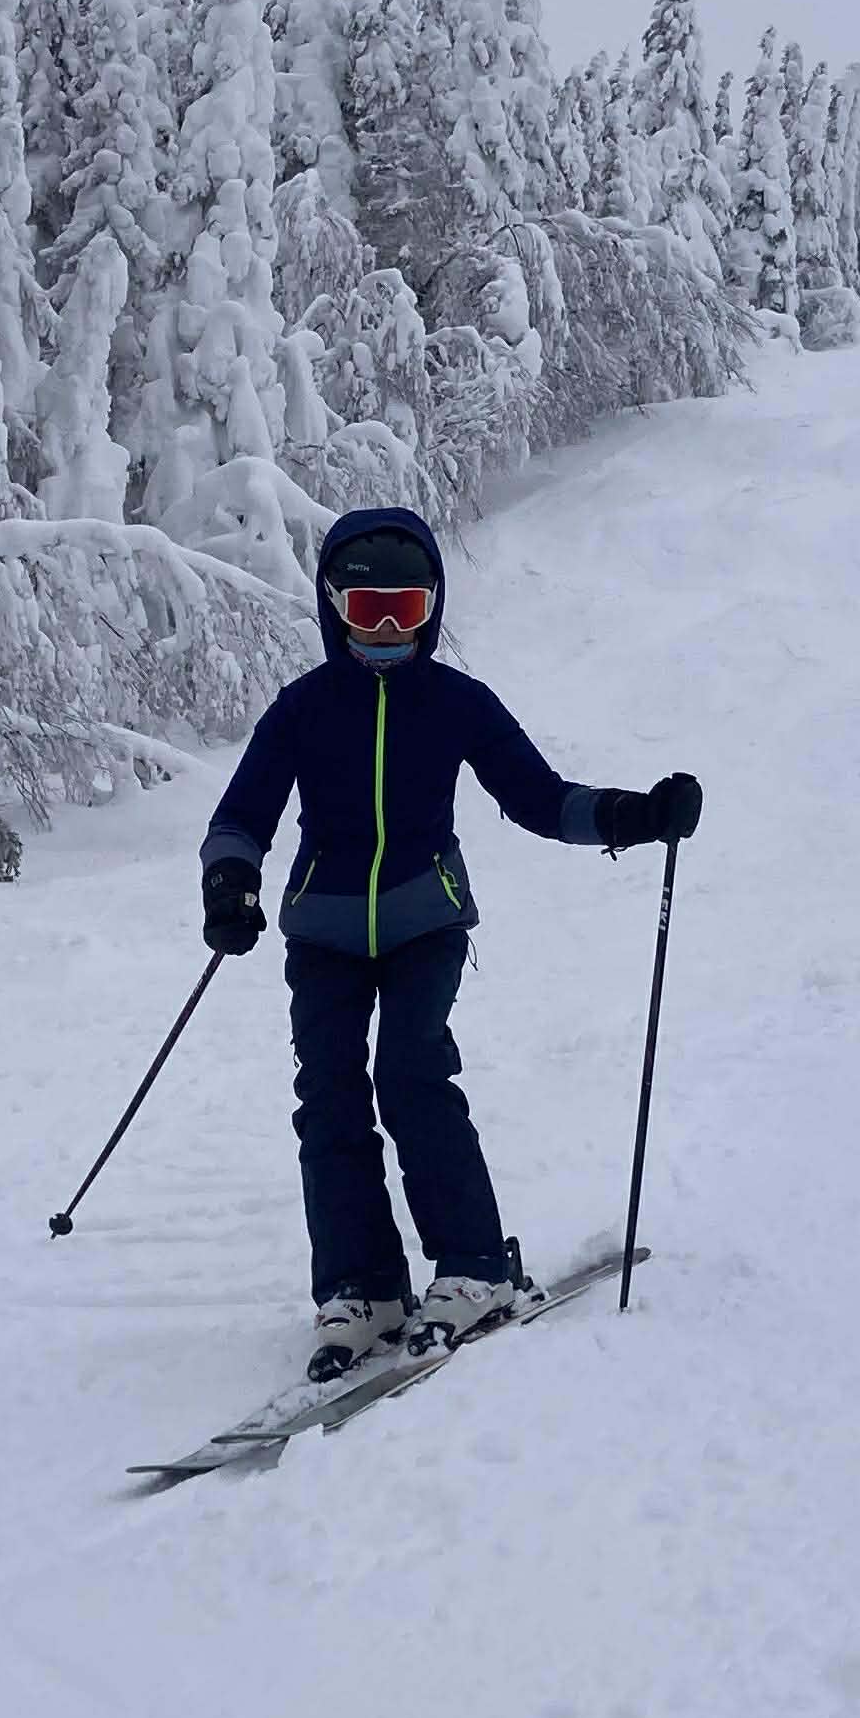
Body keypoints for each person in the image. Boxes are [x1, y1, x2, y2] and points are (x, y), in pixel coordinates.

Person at [202, 506, 702, 1380]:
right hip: (322, 930)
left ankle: (473, 1267)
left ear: (433, 607)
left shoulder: (457, 703)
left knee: (411, 1072)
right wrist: (230, 880)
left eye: (406, 607)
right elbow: (240, 815)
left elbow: (541, 799)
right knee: (327, 1095)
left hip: (424, 921)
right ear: (333, 608)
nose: (389, 629)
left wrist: (635, 814)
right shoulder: (305, 709)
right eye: (368, 609)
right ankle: (363, 1287)